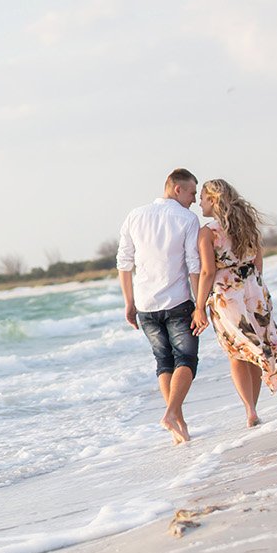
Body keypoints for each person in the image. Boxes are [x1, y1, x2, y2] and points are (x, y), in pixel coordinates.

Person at [193, 179, 277, 428]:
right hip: (254, 289)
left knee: (237, 352)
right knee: (256, 347)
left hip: (227, 294)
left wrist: (199, 307)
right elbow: (258, 262)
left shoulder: (208, 232)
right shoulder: (248, 225)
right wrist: (255, 287)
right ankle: (253, 409)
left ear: (213, 200)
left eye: (202, 198)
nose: (199, 203)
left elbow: (208, 272)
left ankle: (250, 411)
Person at [117, 168, 205, 445]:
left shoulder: (135, 215)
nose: (193, 199)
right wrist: (200, 304)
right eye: (191, 192)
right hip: (178, 301)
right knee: (187, 360)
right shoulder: (188, 219)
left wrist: (129, 303)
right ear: (176, 188)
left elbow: (124, 262)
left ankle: (178, 422)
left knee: (163, 362)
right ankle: (170, 414)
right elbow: (194, 264)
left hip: (145, 304)